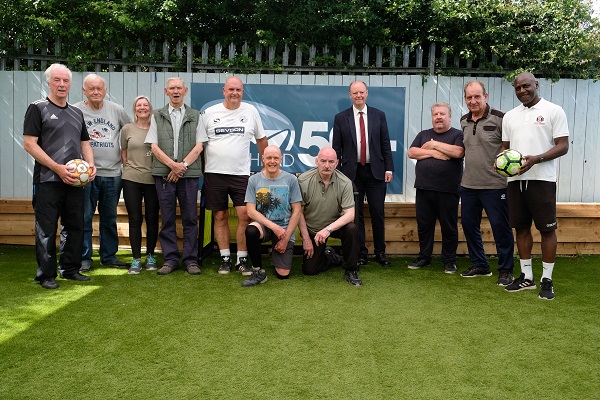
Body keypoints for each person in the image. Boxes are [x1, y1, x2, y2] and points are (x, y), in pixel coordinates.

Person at [23, 63, 96, 289]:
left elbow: (85, 142)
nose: (62, 84)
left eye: (65, 81)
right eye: (57, 80)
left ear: (70, 84)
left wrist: (91, 165)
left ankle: (70, 269)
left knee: (74, 225)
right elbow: (29, 144)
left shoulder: (77, 112)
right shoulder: (37, 108)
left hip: (75, 181)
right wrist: (57, 168)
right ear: (49, 82)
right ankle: (46, 275)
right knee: (46, 228)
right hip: (48, 180)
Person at [502, 72, 569, 300]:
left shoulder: (553, 110)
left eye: (526, 86)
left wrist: (536, 159)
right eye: (518, 88)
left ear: (536, 85)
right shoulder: (509, 116)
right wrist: (500, 164)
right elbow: (505, 149)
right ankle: (526, 277)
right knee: (520, 228)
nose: (522, 91)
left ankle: (546, 280)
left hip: (542, 180)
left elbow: (563, 146)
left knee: (547, 229)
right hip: (515, 181)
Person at [199, 76, 268, 275]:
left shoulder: (251, 111)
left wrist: (266, 166)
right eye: (231, 89)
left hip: (241, 175)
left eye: (238, 90)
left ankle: (242, 259)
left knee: (244, 216)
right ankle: (225, 258)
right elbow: (200, 145)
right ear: (224, 90)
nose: (234, 93)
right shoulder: (210, 113)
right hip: (214, 174)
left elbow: (261, 140)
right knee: (219, 216)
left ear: (242, 92)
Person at [145, 77, 206, 275]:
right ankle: (170, 259)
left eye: (179, 87)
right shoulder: (157, 116)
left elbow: (199, 145)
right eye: (172, 88)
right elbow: (153, 146)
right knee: (168, 218)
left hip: (189, 175)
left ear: (185, 90)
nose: (176, 91)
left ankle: (190, 260)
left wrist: (183, 166)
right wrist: (172, 166)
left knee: (190, 218)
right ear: (166, 91)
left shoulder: (196, 115)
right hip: (164, 174)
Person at [332, 80, 394, 267]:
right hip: (352, 174)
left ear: (367, 93)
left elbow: (385, 144)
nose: (358, 96)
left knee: (377, 213)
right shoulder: (341, 118)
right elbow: (337, 148)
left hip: (376, 172)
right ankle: (361, 253)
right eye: (355, 93)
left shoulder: (379, 115)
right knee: (356, 215)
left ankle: (380, 253)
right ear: (350, 95)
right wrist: (339, 173)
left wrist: (388, 168)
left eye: (361, 92)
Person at [459, 81, 515, 286]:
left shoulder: (501, 118)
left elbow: (509, 149)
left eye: (477, 97)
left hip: (495, 185)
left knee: (500, 228)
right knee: (468, 224)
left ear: (486, 96)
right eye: (469, 98)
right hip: (468, 185)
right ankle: (480, 264)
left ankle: (506, 269)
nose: (473, 101)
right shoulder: (463, 120)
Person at [75, 74, 131, 271]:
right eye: (91, 88)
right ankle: (84, 258)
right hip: (85, 175)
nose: (96, 92)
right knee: (85, 216)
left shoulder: (116, 110)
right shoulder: (76, 111)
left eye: (99, 88)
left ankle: (109, 256)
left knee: (109, 217)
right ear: (84, 90)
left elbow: (130, 131)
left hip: (113, 174)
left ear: (105, 90)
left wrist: (126, 154)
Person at [407, 102, 465, 274]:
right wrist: (434, 153)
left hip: (448, 190)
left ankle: (449, 260)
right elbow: (412, 152)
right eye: (435, 114)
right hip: (424, 189)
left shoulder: (457, 134)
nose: (438, 117)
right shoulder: (423, 134)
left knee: (449, 226)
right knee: (424, 225)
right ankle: (424, 257)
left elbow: (458, 152)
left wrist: (433, 145)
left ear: (449, 116)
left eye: (442, 114)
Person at [297, 147, 363, 287]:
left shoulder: (345, 182)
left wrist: (328, 229)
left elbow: (350, 215)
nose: (327, 165)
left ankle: (351, 269)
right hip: (313, 230)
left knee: (351, 229)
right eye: (323, 161)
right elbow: (298, 213)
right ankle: (331, 257)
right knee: (309, 270)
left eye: (331, 161)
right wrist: (306, 239)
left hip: (334, 226)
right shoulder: (303, 180)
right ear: (316, 161)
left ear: (336, 163)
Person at [241, 145, 302, 287]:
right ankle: (258, 271)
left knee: (283, 274)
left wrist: (285, 239)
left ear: (281, 159)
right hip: (265, 226)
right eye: (269, 158)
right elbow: (250, 211)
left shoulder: (291, 179)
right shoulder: (254, 180)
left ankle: (274, 253)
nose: (272, 161)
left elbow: (297, 211)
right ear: (263, 159)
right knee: (251, 230)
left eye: (276, 158)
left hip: (285, 229)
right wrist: (274, 227)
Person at [121, 96, 160, 274]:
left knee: (152, 220)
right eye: (139, 105)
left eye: (145, 105)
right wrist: (130, 167)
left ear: (150, 109)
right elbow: (124, 152)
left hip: (153, 180)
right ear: (134, 109)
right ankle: (136, 259)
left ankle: (150, 256)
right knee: (135, 220)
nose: (142, 108)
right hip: (131, 180)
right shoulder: (127, 129)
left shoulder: (157, 129)